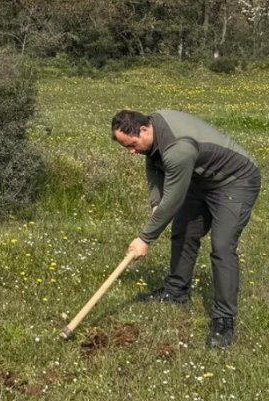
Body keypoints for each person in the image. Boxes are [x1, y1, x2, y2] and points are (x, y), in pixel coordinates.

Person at [111, 110, 261, 348]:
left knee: (222, 246)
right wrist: (155, 202)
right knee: (183, 231)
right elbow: (152, 165)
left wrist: (145, 238)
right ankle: (176, 292)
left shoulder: (178, 149)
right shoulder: (152, 130)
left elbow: (173, 200)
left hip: (235, 180)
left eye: (131, 145)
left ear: (143, 130)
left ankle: (224, 318)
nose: (131, 152)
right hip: (202, 179)